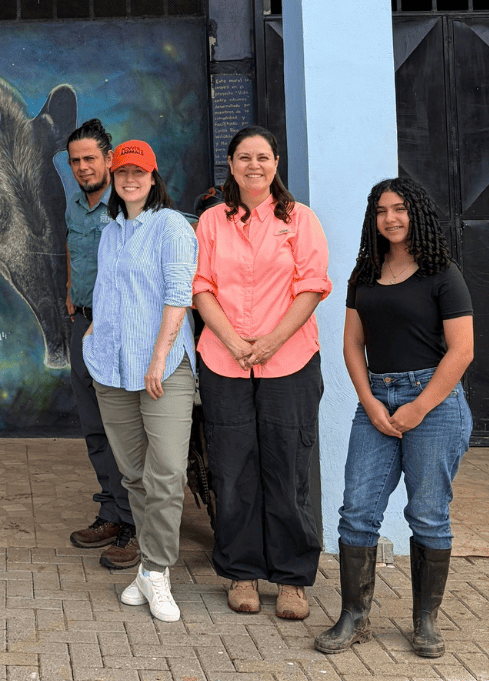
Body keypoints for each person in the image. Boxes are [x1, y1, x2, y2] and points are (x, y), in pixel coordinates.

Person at [315, 178, 473, 657]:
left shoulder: (442, 273)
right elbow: (351, 343)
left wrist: (418, 407)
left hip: (435, 403)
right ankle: (354, 618)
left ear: (416, 213)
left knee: (427, 516)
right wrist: (369, 402)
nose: (390, 218)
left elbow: (462, 350)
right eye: (381, 211)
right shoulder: (364, 273)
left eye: (400, 209)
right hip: (378, 400)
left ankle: (425, 621)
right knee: (357, 512)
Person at [192, 125, 331, 620]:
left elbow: (312, 287)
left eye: (264, 157)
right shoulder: (211, 222)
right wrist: (232, 340)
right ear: (230, 165)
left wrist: (271, 341)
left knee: (289, 467)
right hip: (224, 360)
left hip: (289, 360)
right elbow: (200, 285)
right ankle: (242, 571)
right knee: (232, 469)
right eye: (245, 157)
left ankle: (292, 579)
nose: (255, 165)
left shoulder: (300, 220)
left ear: (276, 163)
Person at [83, 140, 197, 623]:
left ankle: (158, 571)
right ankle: (148, 572)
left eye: (140, 171)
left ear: (154, 178)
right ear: (115, 175)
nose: (130, 179)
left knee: (167, 471)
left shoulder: (171, 225)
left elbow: (179, 292)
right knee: (132, 473)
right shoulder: (110, 230)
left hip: (162, 369)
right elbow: (106, 291)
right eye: (123, 171)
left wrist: (157, 356)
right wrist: (93, 335)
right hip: (112, 368)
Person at [62, 119, 138, 571]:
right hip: (83, 325)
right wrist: (71, 294)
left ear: (109, 160)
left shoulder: (130, 202)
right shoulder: (74, 204)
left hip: (121, 330)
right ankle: (110, 512)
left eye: (91, 158)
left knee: (123, 430)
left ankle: (133, 524)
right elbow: (73, 249)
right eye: (76, 160)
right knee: (94, 427)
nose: (83, 167)